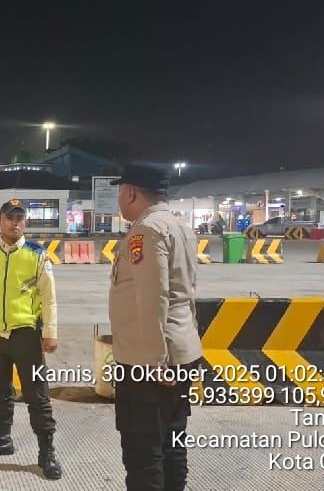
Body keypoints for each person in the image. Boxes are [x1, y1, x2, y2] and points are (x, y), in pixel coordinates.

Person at [109, 165, 203, 491]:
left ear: (131, 192)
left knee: (143, 451)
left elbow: (153, 296)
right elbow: (187, 291)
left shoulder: (146, 231)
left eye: (120, 192)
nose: (119, 199)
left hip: (149, 361)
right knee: (171, 441)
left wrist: (153, 358)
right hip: (181, 350)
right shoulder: (181, 227)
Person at [0, 198, 63, 480]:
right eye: (10, 218)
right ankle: (2, 439)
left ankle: (46, 451)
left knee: (37, 395)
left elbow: (49, 297)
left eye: (20, 218)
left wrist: (50, 332)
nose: (15, 223)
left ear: (26, 222)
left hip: (26, 335)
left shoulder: (37, 254)